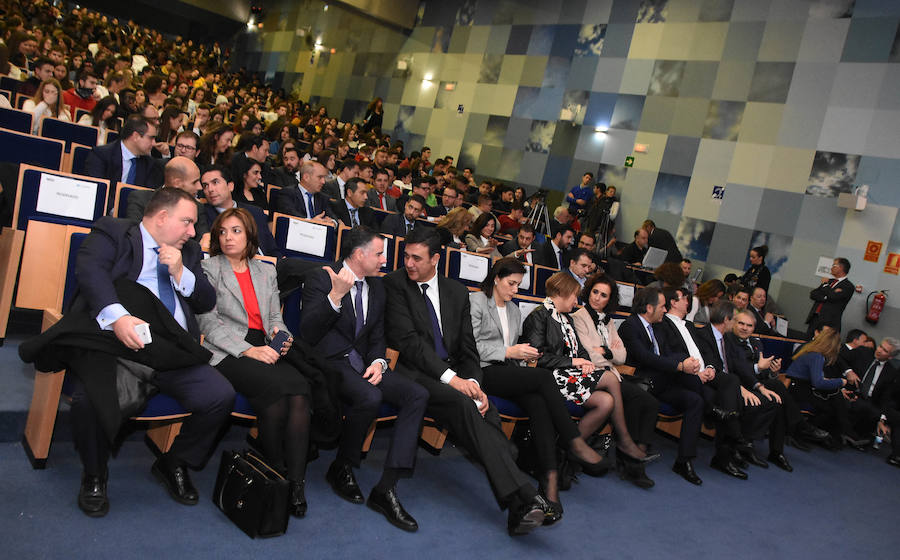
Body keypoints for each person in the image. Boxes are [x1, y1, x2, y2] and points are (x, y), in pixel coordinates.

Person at [20, 188, 235, 517]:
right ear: (162, 217)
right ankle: (94, 473)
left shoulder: (188, 252)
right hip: (117, 345)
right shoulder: (114, 231)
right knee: (91, 400)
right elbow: (91, 274)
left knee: (219, 395)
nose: (194, 232)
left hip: (172, 350)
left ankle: (173, 462)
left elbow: (206, 300)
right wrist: (118, 317)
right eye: (187, 222)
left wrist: (180, 273)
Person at [383, 227, 549, 536]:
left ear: (436, 258)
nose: (408, 263)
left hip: (455, 373)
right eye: (405, 256)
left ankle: (519, 507)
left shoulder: (456, 291)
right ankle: (527, 495)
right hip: (415, 372)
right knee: (466, 406)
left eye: (416, 258)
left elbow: (468, 349)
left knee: (484, 412)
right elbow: (410, 344)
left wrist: (474, 381)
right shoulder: (395, 285)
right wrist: (454, 380)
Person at [300, 226, 427, 530]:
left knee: (417, 394)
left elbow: (377, 334)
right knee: (370, 396)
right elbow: (308, 332)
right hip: (330, 363)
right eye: (380, 254)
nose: (385, 260)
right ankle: (343, 465)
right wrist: (335, 296)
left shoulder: (378, 287)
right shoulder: (321, 277)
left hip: (366, 364)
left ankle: (387, 486)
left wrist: (380, 361)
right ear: (359, 254)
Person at [470, 258, 607, 521]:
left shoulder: (512, 311)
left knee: (538, 402)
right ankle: (574, 442)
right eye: (511, 283)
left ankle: (550, 483)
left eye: (518, 285)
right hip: (482, 371)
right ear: (496, 278)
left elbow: (515, 355)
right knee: (543, 379)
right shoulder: (476, 302)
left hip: (508, 372)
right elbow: (469, 347)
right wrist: (510, 351)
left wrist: (522, 355)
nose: (515, 290)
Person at [197, 208, 311, 517]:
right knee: (275, 389)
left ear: (249, 235)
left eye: (235, 231)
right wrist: (248, 351)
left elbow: (276, 317)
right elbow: (208, 325)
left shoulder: (266, 271)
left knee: (299, 390)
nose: (228, 237)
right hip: (229, 350)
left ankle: (295, 482)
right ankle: (276, 473)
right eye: (222, 232)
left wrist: (281, 335)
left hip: (264, 345)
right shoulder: (208, 269)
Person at [569, 274, 661, 488]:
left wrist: (605, 351)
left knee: (649, 402)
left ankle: (637, 455)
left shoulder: (608, 322)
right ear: (588, 291)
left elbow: (622, 356)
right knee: (635, 399)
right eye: (595, 292)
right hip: (591, 376)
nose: (597, 298)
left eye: (603, 295)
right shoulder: (578, 317)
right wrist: (609, 353)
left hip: (611, 376)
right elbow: (587, 355)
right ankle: (630, 460)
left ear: (609, 300)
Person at [658, 295, 760, 479]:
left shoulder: (689, 325)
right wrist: (694, 370)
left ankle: (730, 441)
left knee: (731, 383)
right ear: (673, 302)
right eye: (684, 298)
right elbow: (669, 353)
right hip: (684, 373)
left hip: (704, 373)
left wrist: (710, 368)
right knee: (723, 391)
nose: (688, 302)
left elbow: (704, 354)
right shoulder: (663, 324)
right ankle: (731, 441)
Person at [617, 287, 706, 485]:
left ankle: (684, 461)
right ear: (649, 308)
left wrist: (683, 363)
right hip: (641, 383)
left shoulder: (658, 327)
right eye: (663, 306)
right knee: (689, 376)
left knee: (695, 400)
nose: (665, 310)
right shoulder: (630, 326)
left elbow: (669, 355)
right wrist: (681, 366)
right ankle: (713, 404)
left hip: (662, 382)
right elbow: (645, 358)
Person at [722, 309, 793, 472]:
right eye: (741, 323)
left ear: (754, 328)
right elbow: (735, 368)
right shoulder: (728, 340)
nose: (744, 328)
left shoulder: (756, 343)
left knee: (778, 396)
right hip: (738, 384)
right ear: (733, 323)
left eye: (749, 325)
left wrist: (773, 371)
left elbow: (763, 370)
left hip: (757, 383)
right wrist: (757, 368)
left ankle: (770, 449)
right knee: (776, 397)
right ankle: (796, 431)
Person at [831, 337, 900, 461]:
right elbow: (840, 357)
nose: (879, 350)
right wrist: (848, 371)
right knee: (863, 407)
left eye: (884, 350)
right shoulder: (863, 352)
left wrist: (882, 419)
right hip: (849, 391)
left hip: (869, 401)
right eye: (880, 346)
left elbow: (885, 398)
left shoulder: (891, 372)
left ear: (890, 357)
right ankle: (852, 436)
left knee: (878, 411)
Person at [783, 328, 850, 450]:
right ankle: (806, 432)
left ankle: (805, 432)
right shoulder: (817, 357)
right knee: (829, 408)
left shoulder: (810, 351)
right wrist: (841, 381)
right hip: (799, 390)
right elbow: (818, 383)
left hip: (796, 387)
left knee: (830, 403)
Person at [200, 166, 280, 258]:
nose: (210, 189)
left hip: (266, 265)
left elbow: (272, 248)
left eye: (215, 182)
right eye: (205, 185)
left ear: (230, 186)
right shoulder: (203, 215)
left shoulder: (255, 212)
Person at [84, 114, 165, 197]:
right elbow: (96, 192)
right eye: (151, 138)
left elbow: (146, 197)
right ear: (136, 136)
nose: (154, 143)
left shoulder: (149, 163)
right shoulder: (101, 155)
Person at [805, 258, 855, 337]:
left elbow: (833, 297)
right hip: (815, 318)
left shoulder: (848, 286)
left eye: (833, 265)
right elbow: (813, 294)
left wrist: (825, 285)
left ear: (841, 268)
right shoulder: (830, 281)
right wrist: (826, 297)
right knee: (806, 343)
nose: (831, 268)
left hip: (828, 323)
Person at [271, 161, 336, 221]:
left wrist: (332, 222)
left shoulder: (323, 198)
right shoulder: (287, 193)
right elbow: (291, 216)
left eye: (324, 178)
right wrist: (311, 222)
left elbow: (334, 218)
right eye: (320, 177)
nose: (323, 181)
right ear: (306, 177)